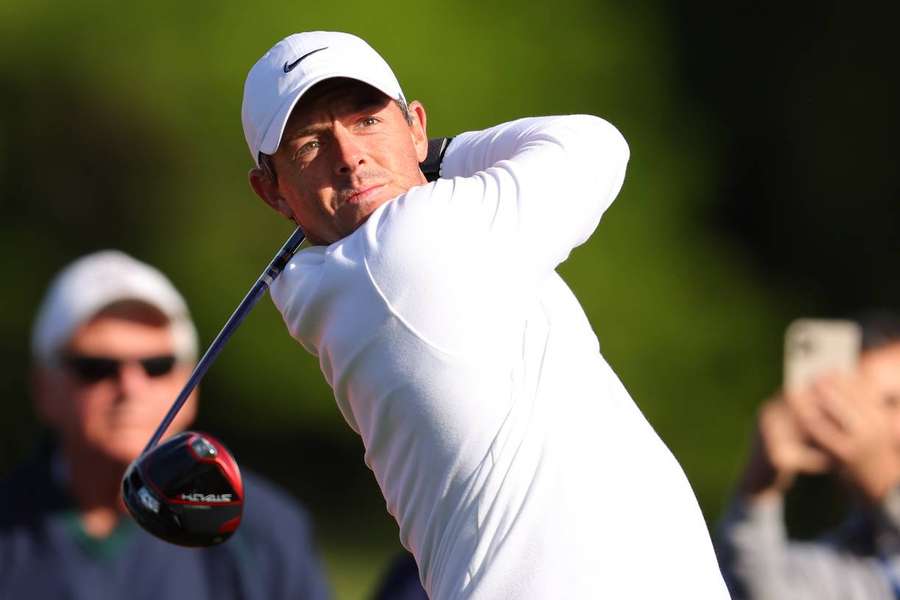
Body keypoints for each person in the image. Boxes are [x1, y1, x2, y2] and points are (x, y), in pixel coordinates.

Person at [242, 31, 730, 599]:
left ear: (413, 124)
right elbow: (596, 145)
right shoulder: (407, 244)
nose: (349, 156)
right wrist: (441, 154)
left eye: (368, 121)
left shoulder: (340, 280)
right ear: (272, 192)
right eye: (309, 146)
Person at [0, 250, 330, 600]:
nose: (130, 387)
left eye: (157, 365)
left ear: (190, 385)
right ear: (44, 389)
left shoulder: (266, 535)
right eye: (97, 368)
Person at [717, 314, 900, 599]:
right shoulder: (849, 563)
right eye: (860, 404)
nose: (878, 426)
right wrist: (758, 490)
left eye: (893, 401)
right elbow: (758, 590)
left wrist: (886, 487)